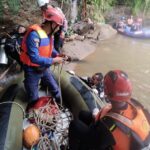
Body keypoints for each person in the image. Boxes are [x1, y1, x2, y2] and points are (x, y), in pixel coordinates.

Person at [68, 70, 150, 150]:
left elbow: (99, 142)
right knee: (82, 114)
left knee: (74, 125)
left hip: (108, 138)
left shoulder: (109, 125)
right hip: (120, 136)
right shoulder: (135, 103)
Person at [20, 7, 67, 104]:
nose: (58, 29)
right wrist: (54, 60)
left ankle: (59, 103)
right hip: (32, 69)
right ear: (53, 24)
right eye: (58, 26)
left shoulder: (49, 35)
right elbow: (34, 58)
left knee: (55, 89)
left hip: (44, 68)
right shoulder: (34, 35)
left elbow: (50, 49)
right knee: (33, 98)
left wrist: (57, 55)